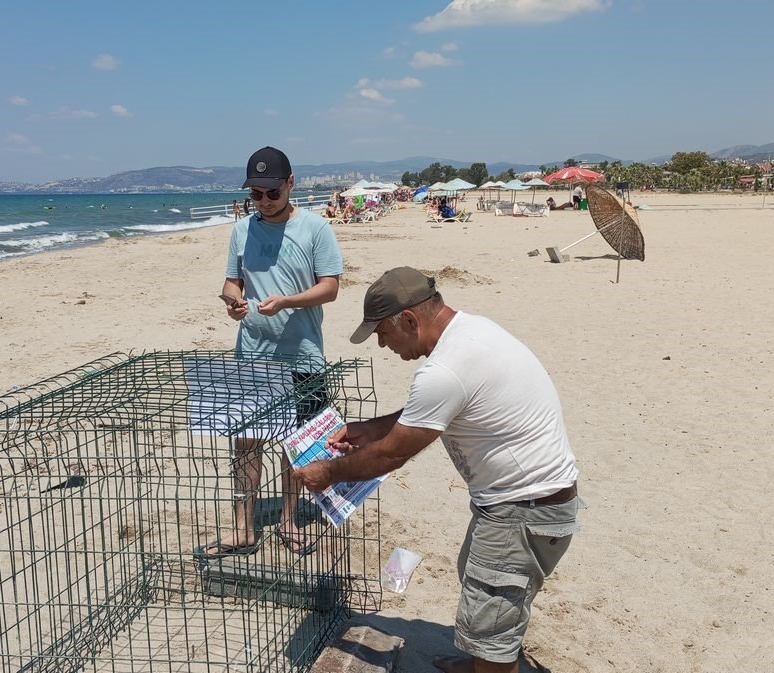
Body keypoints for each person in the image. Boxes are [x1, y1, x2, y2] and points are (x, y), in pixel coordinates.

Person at [295, 267, 580, 673]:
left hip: (523, 510)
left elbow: (391, 455)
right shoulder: (472, 332)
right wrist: (368, 428)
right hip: (529, 502)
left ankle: (492, 664)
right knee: (484, 589)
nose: (382, 343)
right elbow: (426, 415)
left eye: (382, 333)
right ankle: (482, 661)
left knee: (492, 617)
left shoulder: (444, 371)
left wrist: (326, 473)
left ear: (409, 320)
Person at [204, 146, 344, 559]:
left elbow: (331, 287)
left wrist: (287, 301)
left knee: (294, 443)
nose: (264, 201)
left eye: (271, 193)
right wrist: (231, 302)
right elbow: (233, 283)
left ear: (290, 184)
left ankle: (288, 520)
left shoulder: (316, 229)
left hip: (301, 355)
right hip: (251, 354)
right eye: (256, 195)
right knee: (246, 443)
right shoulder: (242, 230)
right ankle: (244, 527)